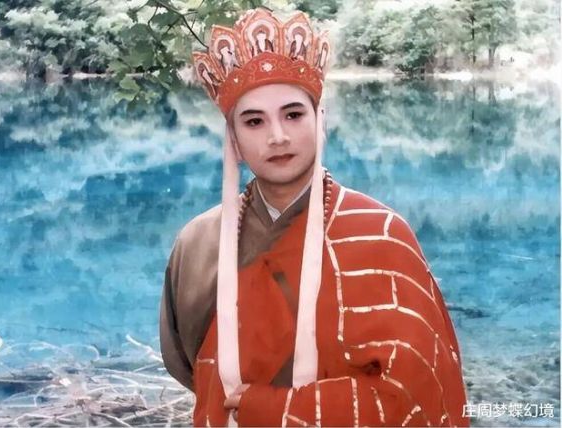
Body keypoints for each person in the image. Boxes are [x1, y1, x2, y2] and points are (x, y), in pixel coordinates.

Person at [159, 7, 470, 427]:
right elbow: (188, 364)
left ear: (320, 120)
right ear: (233, 137)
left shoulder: (380, 234)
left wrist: (268, 407)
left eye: (293, 114)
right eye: (254, 121)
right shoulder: (199, 243)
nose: (277, 136)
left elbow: (419, 390)